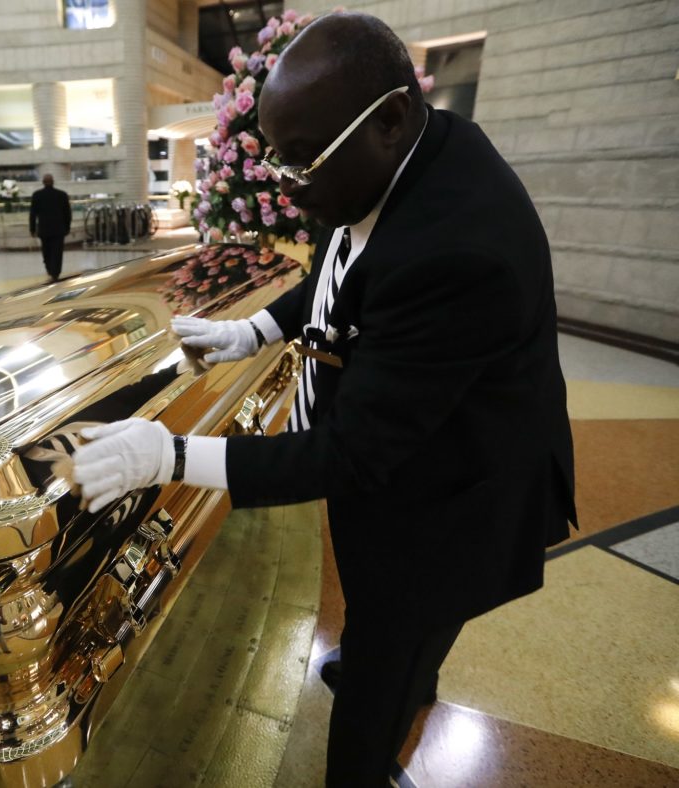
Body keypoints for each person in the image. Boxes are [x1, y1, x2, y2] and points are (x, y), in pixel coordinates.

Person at [71, 11, 577, 788]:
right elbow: (343, 266)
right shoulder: (402, 163)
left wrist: (165, 454)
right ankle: (406, 671)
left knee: (387, 652)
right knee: (396, 633)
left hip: (454, 500)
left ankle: (373, 747)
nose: (288, 185)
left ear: (391, 120)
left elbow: (351, 452)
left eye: (302, 160)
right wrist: (258, 331)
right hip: (417, 466)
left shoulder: (458, 254)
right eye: (277, 159)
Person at [29, 174, 72, 281]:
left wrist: (32, 229)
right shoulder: (62, 195)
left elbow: (33, 214)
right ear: (53, 182)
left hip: (44, 229)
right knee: (57, 252)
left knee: (46, 251)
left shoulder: (37, 195)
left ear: (43, 182)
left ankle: (49, 269)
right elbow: (67, 214)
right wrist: (67, 227)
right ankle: (55, 272)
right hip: (58, 229)